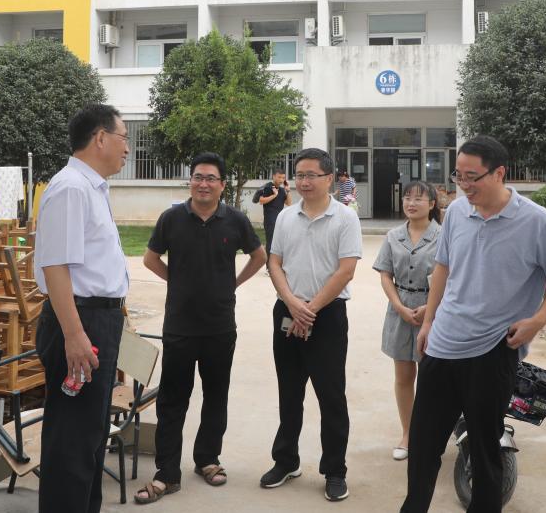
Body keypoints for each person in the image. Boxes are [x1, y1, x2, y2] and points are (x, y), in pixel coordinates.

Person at [400, 135, 546, 513]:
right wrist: (429, 321)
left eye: (472, 177)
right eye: (458, 176)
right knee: (424, 444)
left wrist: (537, 321)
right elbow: (443, 267)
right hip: (443, 344)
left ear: (499, 173)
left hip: (493, 350)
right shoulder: (456, 213)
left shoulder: (535, 220)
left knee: (484, 448)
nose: (463, 185)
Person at [136, 152, 267, 504]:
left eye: (210, 178)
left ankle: (207, 459)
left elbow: (259, 256)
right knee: (172, 401)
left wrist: (233, 284)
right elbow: (150, 258)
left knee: (215, 396)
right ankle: (166, 473)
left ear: (222, 184)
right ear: (190, 181)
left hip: (219, 326)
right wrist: (176, 281)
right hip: (179, 326)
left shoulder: (235, 220)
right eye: (198, 177)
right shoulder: (172, 218)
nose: (203, 184)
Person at [34, 103, 130, 513]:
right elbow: (55, 266)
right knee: (71, 443)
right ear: (101, 138)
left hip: (97, 319)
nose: (128, 148)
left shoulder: (91, 188)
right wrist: (75, 336)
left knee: (89, 436)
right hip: (79, 321)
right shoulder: (71, 188)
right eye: (124, 138)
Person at [261, 148, 363, 502]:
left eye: (311, 175)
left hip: (328, 315)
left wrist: (310, 309)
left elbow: (346, 270)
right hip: (288, 310)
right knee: (289, 392)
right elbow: (274, 262)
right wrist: (292, 303)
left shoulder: (345, 218)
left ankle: (335, 470)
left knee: (331, 396)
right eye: (299, 175)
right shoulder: (286, 217)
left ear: (329, 179)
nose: (304, 181)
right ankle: (286, 461)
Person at [372, 180, 441, 462]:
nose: (411, 203)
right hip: (400, 311)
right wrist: (399, 306)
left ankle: (430, 433)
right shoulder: (393, 236)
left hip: (433, 313)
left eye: (418, 199)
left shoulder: (444, 236)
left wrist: (429, 308)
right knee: (403, 377)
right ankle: (408, 434)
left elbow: (452, 277)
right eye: (407, 198)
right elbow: (385, 274)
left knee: (431, 379)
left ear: (432, 204)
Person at [258, 168, 292, 257]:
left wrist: (288, 190)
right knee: (271, 242)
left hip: (280, 220)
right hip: (270, 220)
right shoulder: (268, 187)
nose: (281, 180)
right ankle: (269, 264)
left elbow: (288, 203)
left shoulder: (282, 190)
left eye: (283, 178)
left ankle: (277, 263)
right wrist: (274, 195)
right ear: (273, 176)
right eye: (279, 177)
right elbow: (261, 201)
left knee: (279, 243)